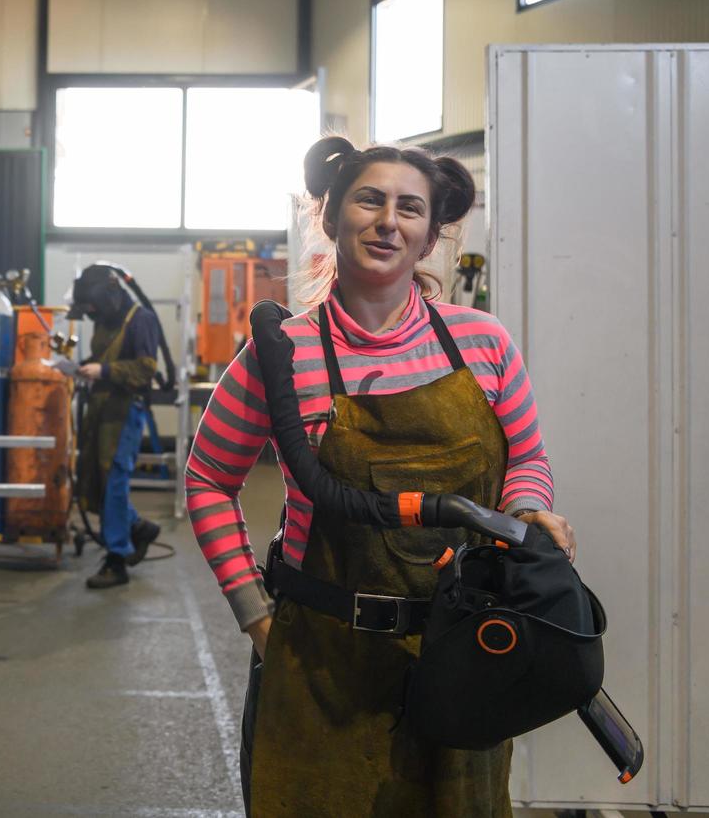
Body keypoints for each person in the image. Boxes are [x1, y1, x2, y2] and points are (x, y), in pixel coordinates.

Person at [184, 137, 576, 816]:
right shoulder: (280, 354)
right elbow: (209, 480)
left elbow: (526, 460)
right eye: (370, 199)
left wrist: (530, 509)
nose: (388, 220)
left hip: (463, 657)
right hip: (322, 664)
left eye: (410, 208)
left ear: (428, 239)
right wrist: (257, 618)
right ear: (331, 217)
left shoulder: (482, 343)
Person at [67, 263, 164, 589]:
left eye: (93, 307)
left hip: (125, 412)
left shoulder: (142, 320)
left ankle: (117, 559)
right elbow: (103, 361)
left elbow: (146, 369)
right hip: (100, 410)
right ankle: (137, 527)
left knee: (113, 482)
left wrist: (104, 372)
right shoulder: (105, 320)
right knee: (97, 480)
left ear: (108, 295)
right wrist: (85, 369)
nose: (92, 313)